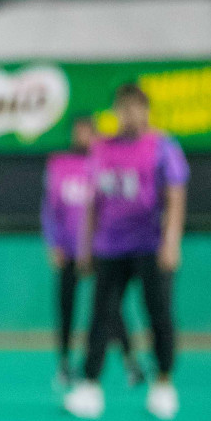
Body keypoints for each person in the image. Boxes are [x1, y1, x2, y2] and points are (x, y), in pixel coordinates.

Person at [64, 82, 188, 421]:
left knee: (158, 313)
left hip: (149, 245)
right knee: (100, 317)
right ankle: (90, 385)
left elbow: (176, 197)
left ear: (146, 111)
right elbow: (92, 202)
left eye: (136, 108)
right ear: (115, 111)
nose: (129, 115)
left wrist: (171, 242)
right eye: (123, 107)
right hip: (110, 245)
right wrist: (85, 247)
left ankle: (163, 382)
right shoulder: (101, 149)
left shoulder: (163, 146)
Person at [43, 114, 142, 389]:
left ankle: (130, 362)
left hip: (101, 249)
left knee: (111, 308)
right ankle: (64, 363)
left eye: (89, 132)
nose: (83, 137)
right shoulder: (58, 164)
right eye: (79, 132)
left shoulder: (104, 163)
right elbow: (50, 209)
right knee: (65, 307)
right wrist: (54, 243)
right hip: (69, 250)